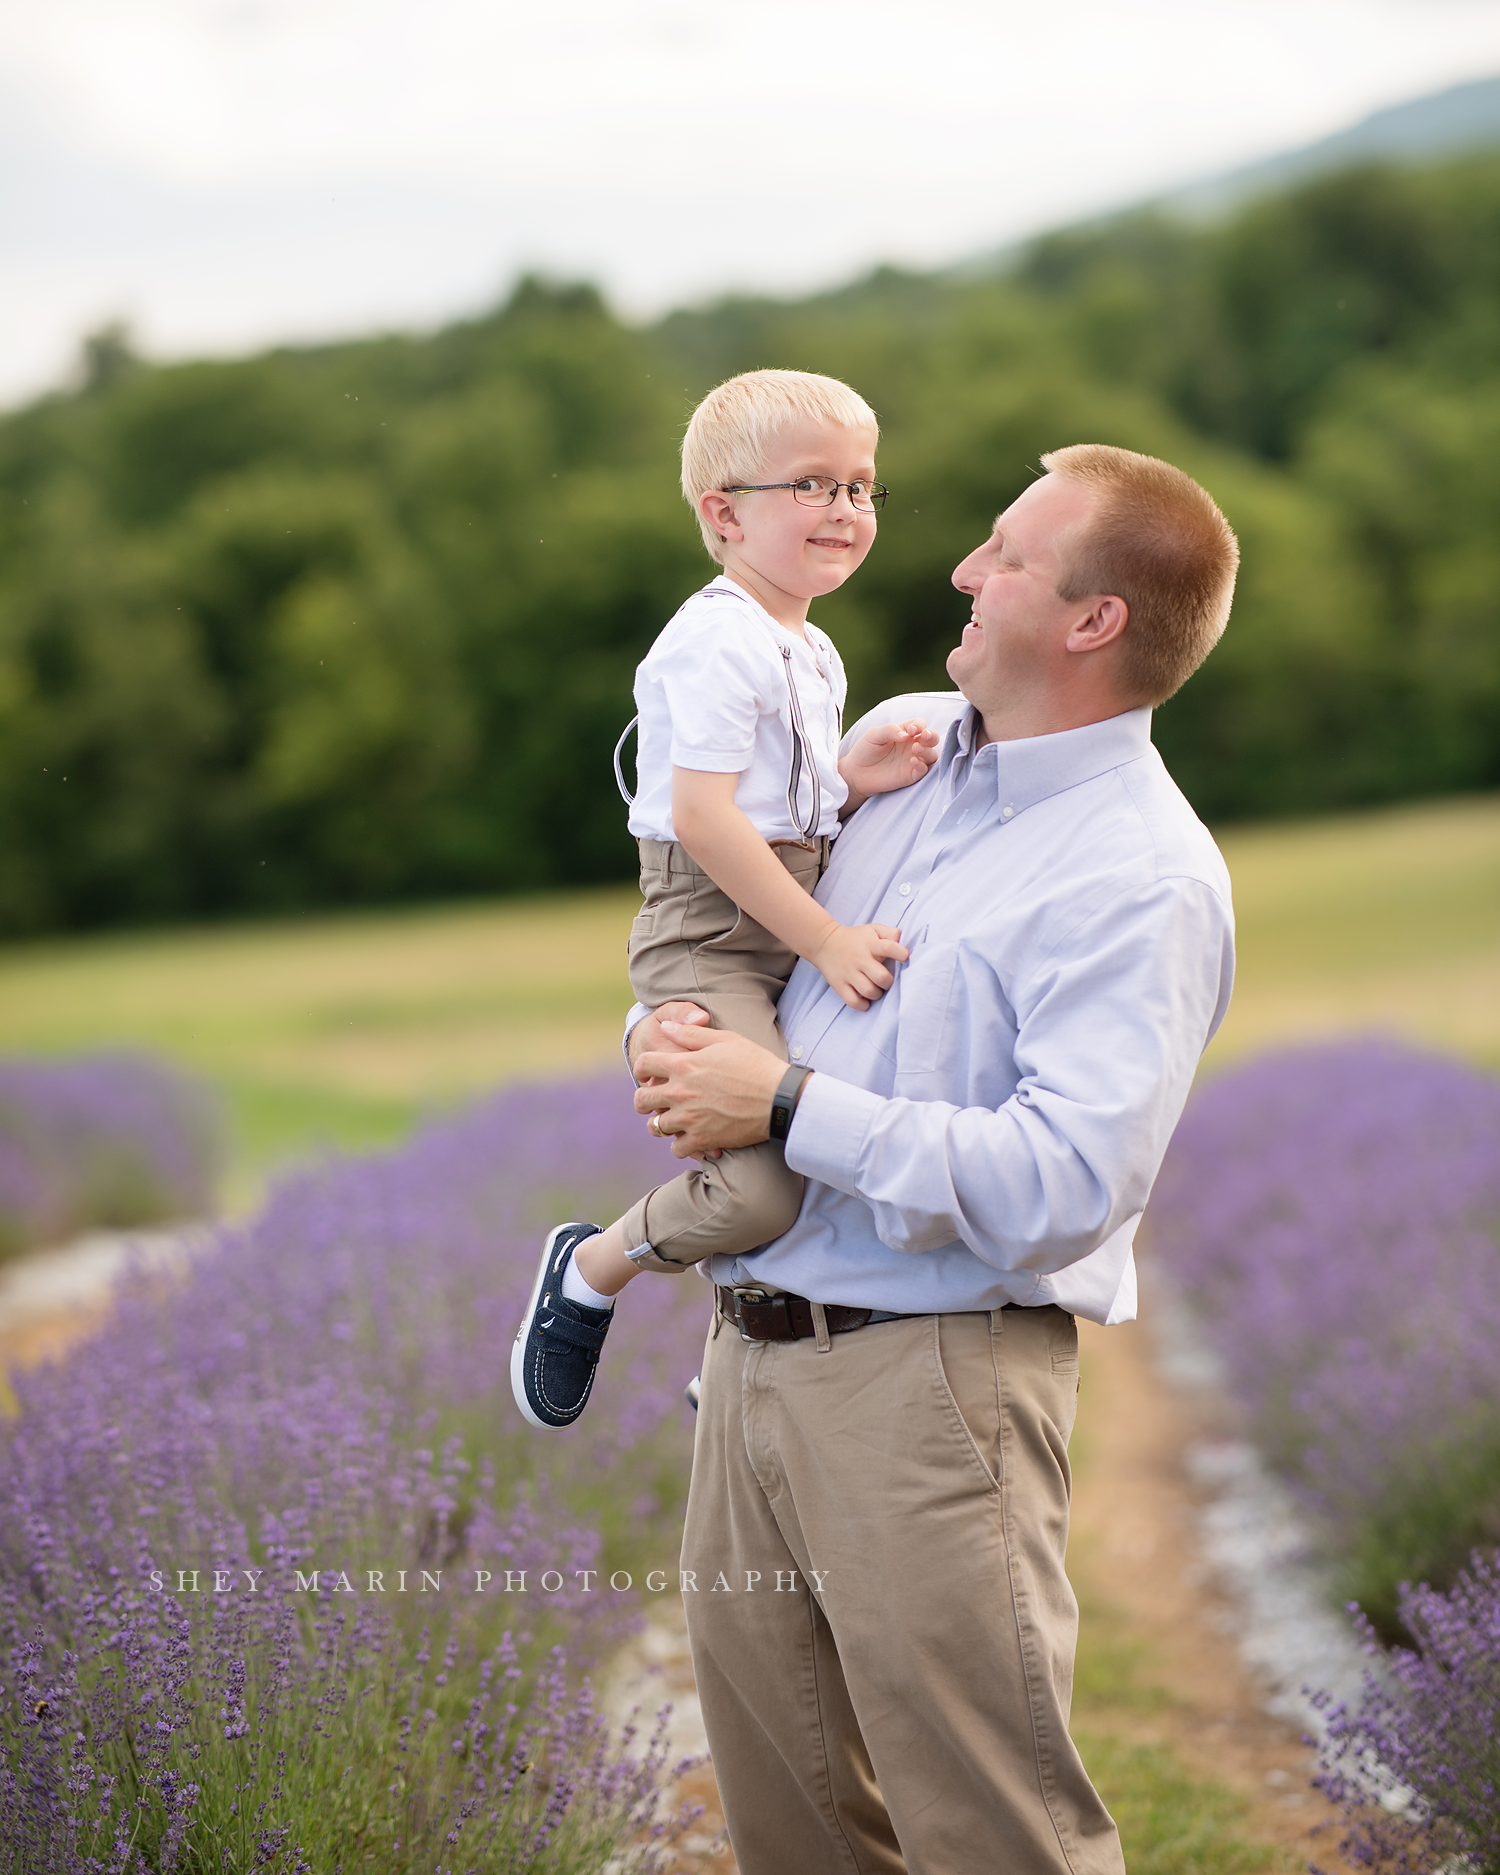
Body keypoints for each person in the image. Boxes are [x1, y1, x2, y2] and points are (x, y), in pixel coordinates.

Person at [628, 443, 1241, 1875]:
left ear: (1092, 621)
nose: (961, 568)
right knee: (798, 1832)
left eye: (1007, 554)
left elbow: (1064, 1183)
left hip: (933, 1388)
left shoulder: (1142, 874)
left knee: (994, 1831)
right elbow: (716, 925)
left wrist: (780, 1106)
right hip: (752, 1359)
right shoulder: (900, 758)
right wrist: (669, 1035)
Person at [512, 370, 938, 1432]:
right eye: (813, 484)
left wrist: (847, 775)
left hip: (776, 918)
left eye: (863, 487)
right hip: (713, 936)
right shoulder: (715, 638)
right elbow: (704, 823)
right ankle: (590, 1272)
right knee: (759, 1191)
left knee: (854, 1133)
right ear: (724, 511)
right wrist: (828, 937)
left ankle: (749, 1358)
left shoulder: (809, 642)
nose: (847, 510)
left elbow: (768, 798)